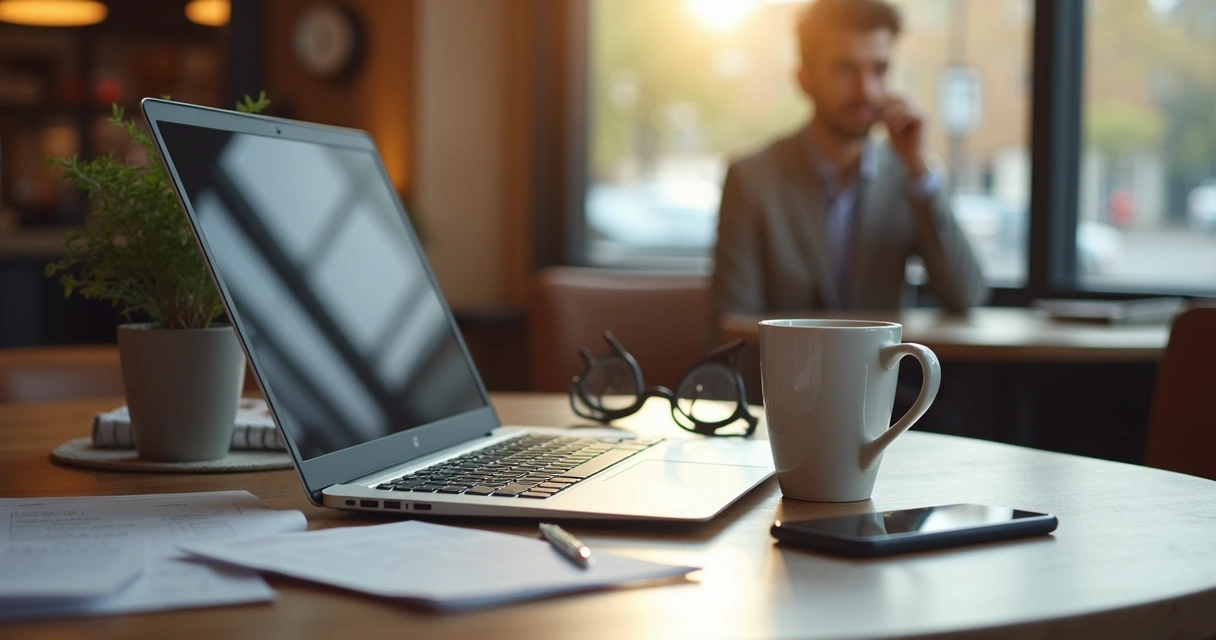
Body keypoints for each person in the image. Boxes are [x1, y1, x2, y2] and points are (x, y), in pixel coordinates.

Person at [712, 0, 989, 319]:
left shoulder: (908, 179)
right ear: (804, 79)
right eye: (846, 69)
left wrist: (919, 172)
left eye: (880, 69)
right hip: (783, 370)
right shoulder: (752, 180)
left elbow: (966, 294)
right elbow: (731, 323)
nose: (866, 90)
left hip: (883, 370)